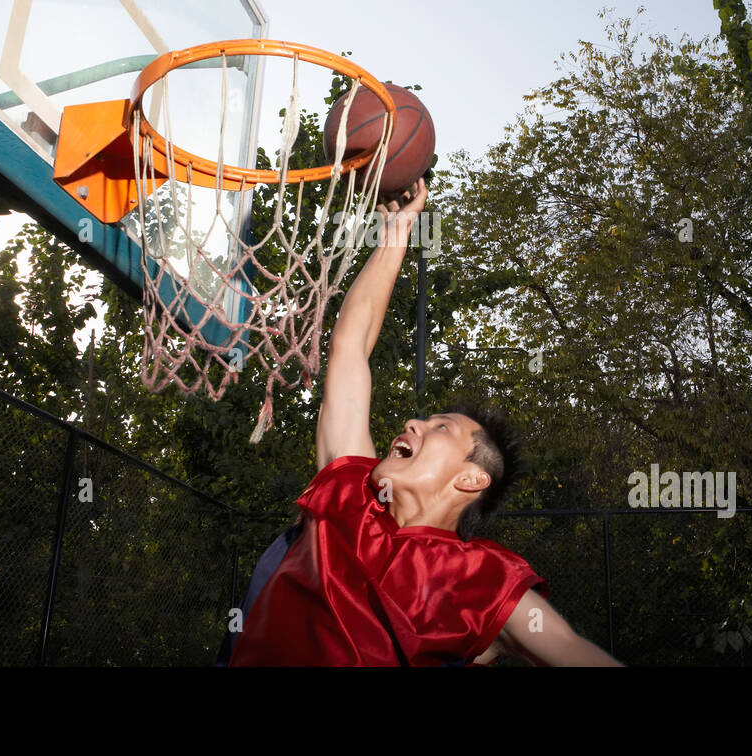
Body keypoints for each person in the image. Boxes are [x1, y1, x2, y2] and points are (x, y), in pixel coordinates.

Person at [228, 178, 621, 666]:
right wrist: (397, 231)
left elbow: (572, 653)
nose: (414, 423)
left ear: (472, 477)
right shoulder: (348, 491)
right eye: (426, 418)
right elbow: (351, 346)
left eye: (442, 428)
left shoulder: (479, 579)